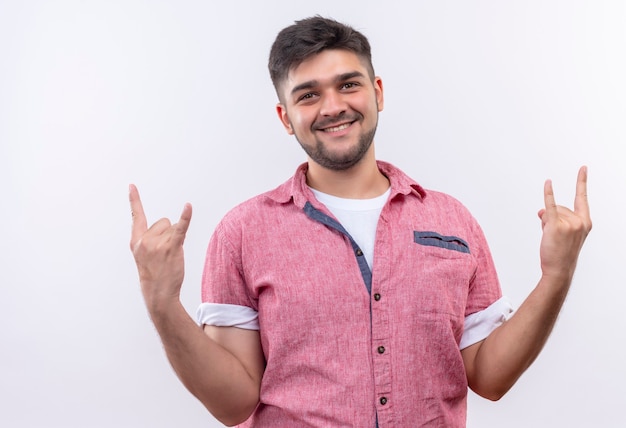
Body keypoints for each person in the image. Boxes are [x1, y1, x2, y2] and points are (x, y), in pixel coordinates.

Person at [129, 16, 592, 427]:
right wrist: (163, 303)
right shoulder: (243, 232)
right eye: (308, 95)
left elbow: (489, 378)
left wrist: (556, 276)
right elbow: (233, 405)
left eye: (348, 84)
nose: (332, 107)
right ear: (285, 118)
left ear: (378, 93)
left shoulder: (454, 220)